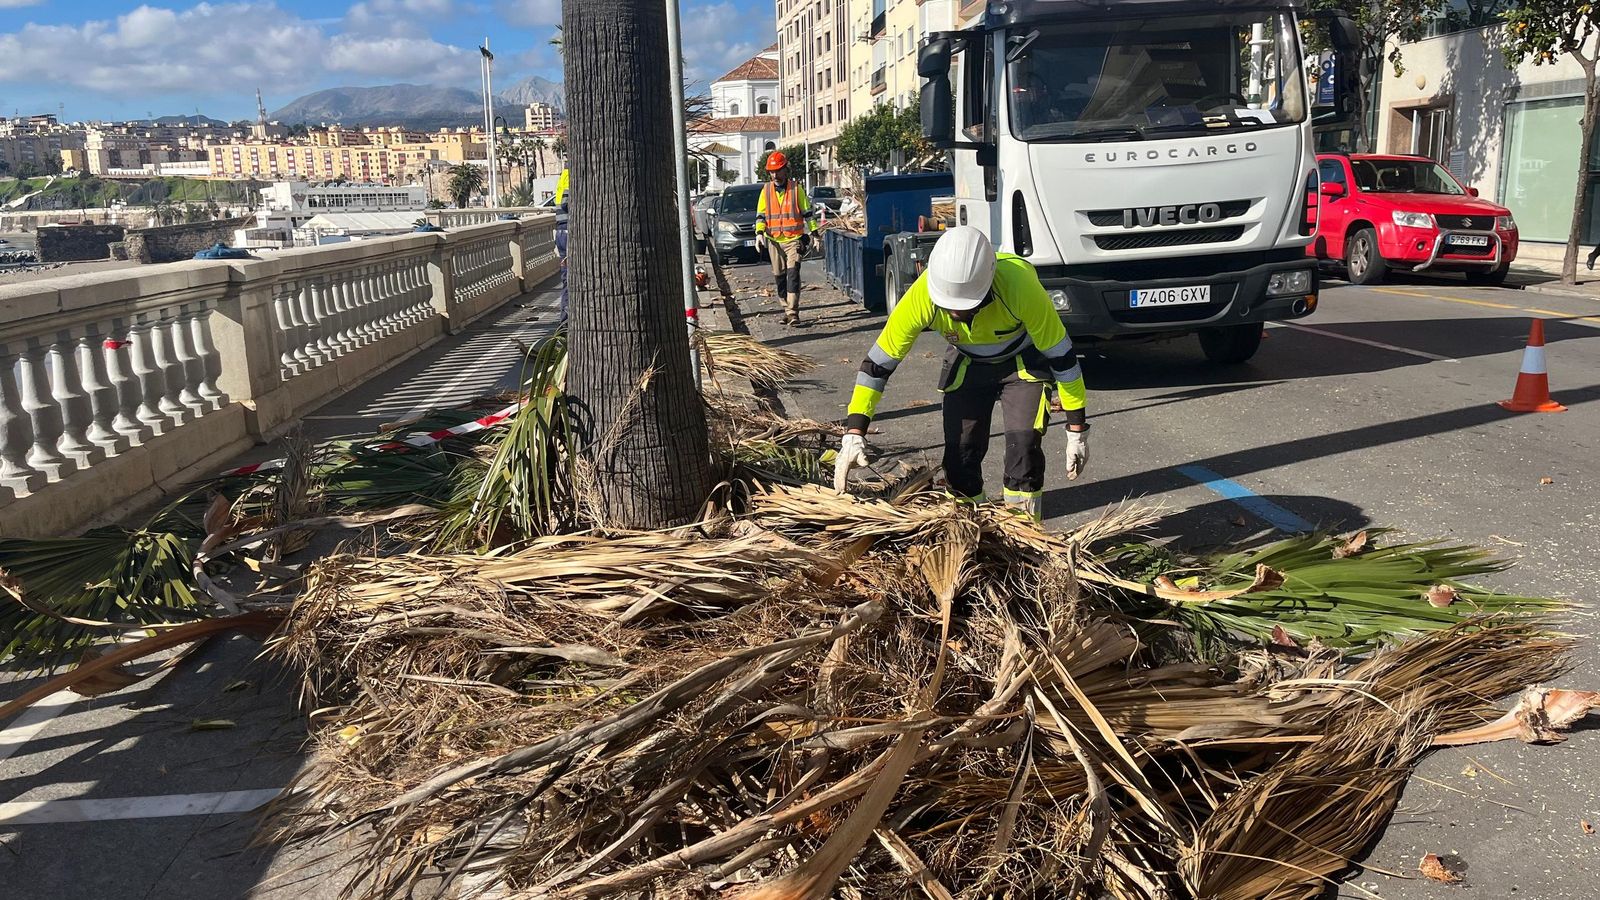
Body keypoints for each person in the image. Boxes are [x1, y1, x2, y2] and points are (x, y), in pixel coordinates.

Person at [832, 227, 1089, 521]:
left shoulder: (1020, 285)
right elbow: (877, 365)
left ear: (988, 285)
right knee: (959, 457)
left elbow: (1063, 359)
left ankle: (1024, 535)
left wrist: (1076, 430)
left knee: (1024, 452)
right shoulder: (925, 293)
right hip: (968, 363)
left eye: (966, 307)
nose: (956, 314)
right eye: (949, 307)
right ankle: (968, 531)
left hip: (1022, 364)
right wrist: (854, 432)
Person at [754, 152, 817, 326]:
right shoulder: (765, 191)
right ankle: (786, 308)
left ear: (785, 170)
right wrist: (759, 233)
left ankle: (793, 312)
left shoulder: (796, 189)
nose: (775, 175)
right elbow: (761, 216)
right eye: (771, 172)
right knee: (779, 277)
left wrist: (814, 233)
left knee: (793, 273)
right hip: (773, 241)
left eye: (778, 171)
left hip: (793, 239)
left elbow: (808, 214)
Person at [554, 167, 570, 319]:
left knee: (566, 278)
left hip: (561, 232)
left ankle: (564, 320)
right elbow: (566, 202)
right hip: (567, 232)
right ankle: (565, 320)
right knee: (570, 278)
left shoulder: (564, 175)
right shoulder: (571, 175)